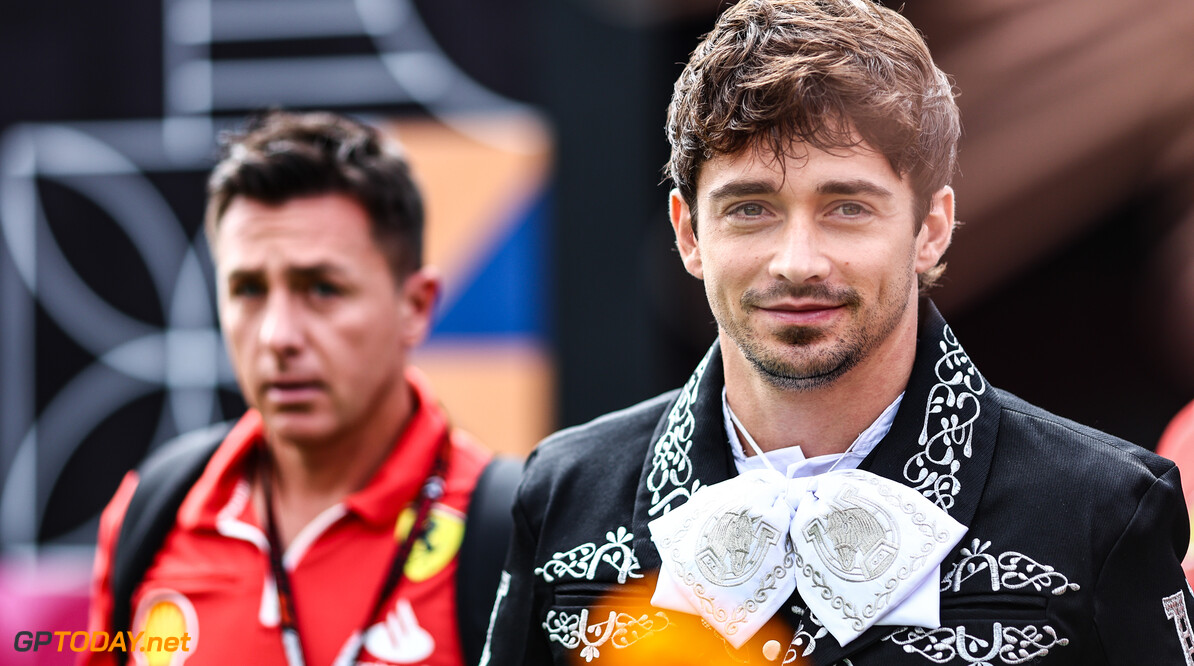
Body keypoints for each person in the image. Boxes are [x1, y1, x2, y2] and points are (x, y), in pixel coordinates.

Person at [482, 1, 1194, 664]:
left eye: (847, 208)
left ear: (931, 230)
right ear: (688, 233)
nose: (798, 263)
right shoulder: (562, 496)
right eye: (750, 209)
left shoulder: (1106, 509)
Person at [84, 110, 512, 666]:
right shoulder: (153, 511)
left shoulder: (508, 531)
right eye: (248, 289)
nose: (277, 335)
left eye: (322, 289)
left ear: (415, 306)